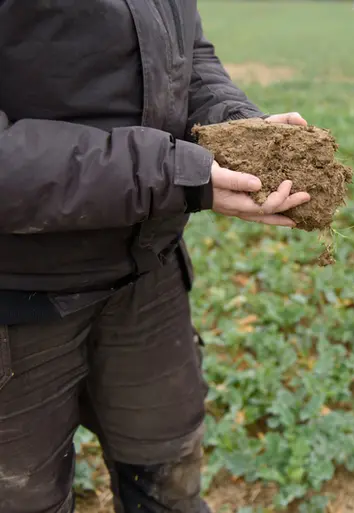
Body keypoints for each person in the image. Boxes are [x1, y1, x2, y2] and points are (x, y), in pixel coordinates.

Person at [0, 2, 310, 512]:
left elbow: (186, 54)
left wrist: (241, 132)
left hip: (148, 274)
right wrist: (170, 174)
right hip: (17, 300)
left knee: (169, 477)